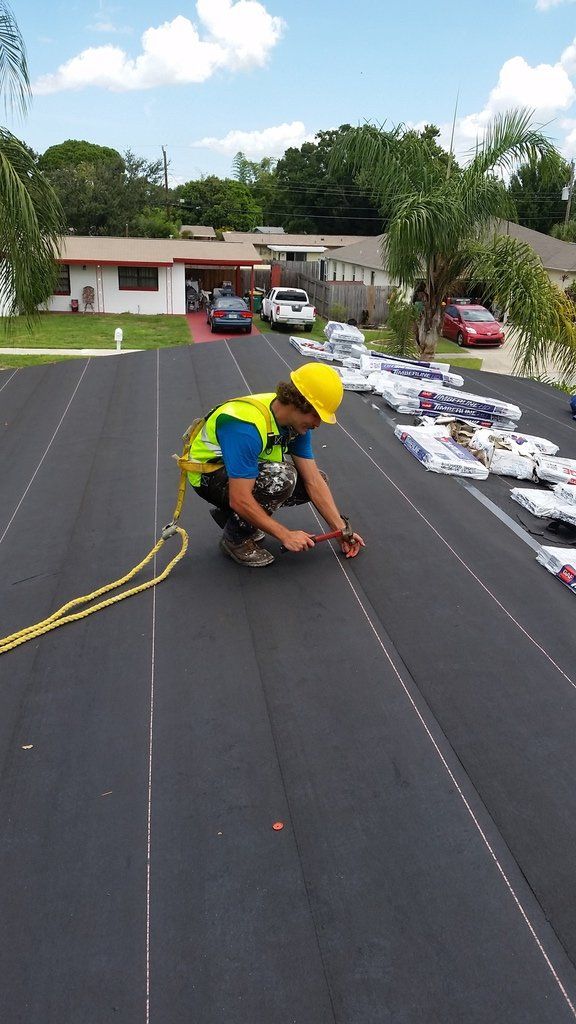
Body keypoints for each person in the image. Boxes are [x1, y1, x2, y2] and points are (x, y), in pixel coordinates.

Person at [186, 363, 365, 567]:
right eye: (316, 415)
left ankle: (235, 517)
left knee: (316, 479)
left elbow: (313, 481)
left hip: (239, 472)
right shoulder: (244, 427)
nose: (318, 424)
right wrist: (285, 535)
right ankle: (235, 540)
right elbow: (239, 498)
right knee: (282, 477)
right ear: (300, 403)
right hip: (208, 478)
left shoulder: (294, 424)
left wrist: (341, 530)